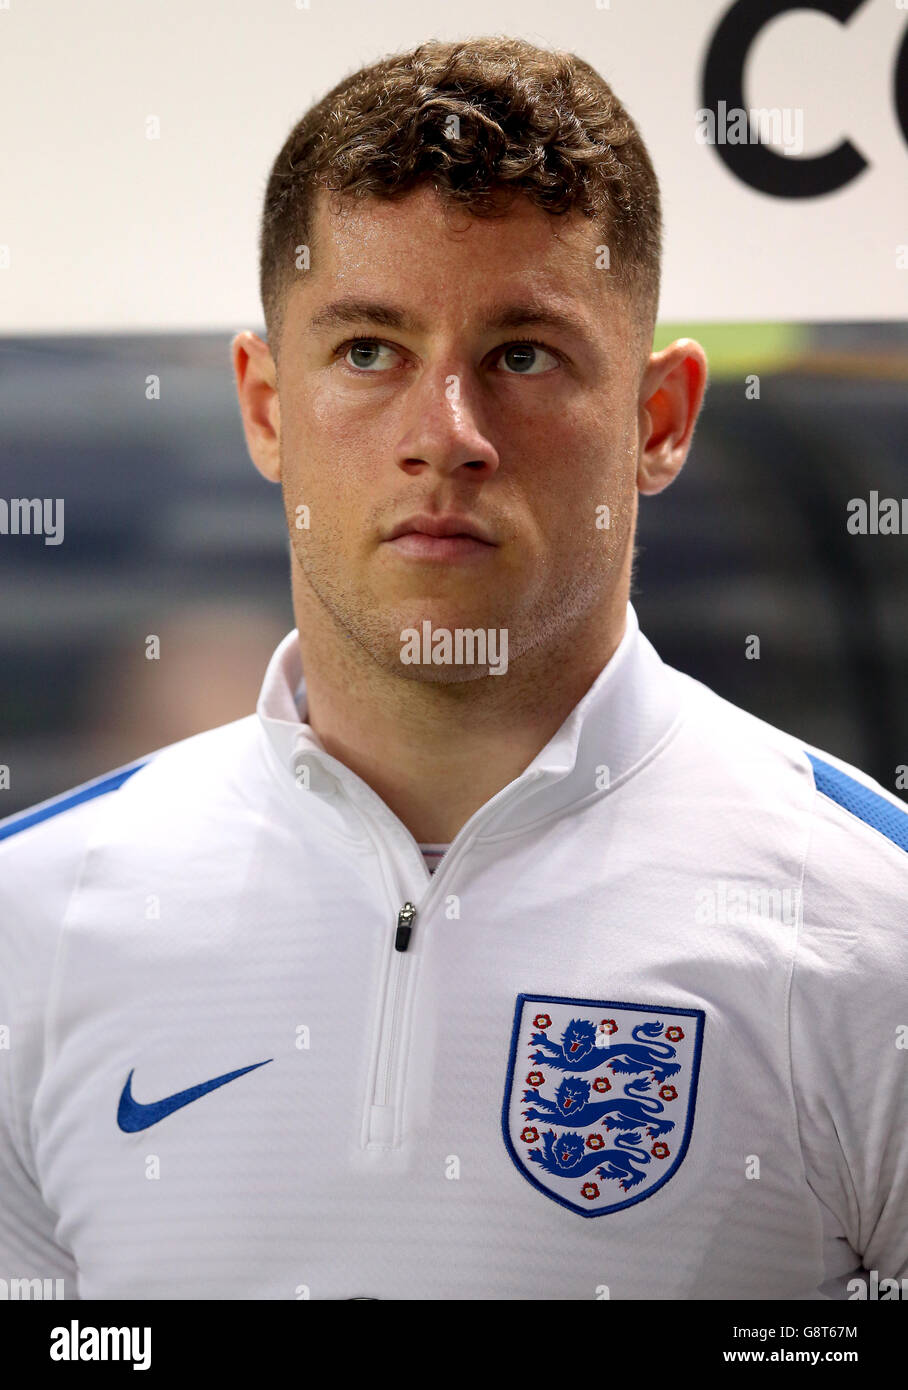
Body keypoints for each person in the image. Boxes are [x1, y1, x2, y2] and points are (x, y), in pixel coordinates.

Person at [1, 36, 905, 1302]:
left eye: (523, 355)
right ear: (265, 405)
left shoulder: (874, 927)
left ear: (659, 420)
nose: (446, 436)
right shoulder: (30, 923)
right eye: (368, 350)